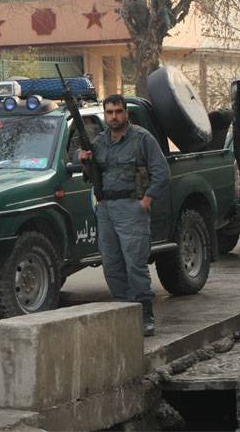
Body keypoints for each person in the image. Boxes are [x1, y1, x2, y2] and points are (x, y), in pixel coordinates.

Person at [79, 94, 170, 336]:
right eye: (109, 112)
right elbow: (92, 175)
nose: (114, 117)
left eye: (118, 111)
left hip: (132, 206)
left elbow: (161, 173)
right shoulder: (99, 142)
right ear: (105, 114)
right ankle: (123, 312)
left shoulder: (142, 138)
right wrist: (85, 161)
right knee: (111, 264)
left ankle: (145, 315)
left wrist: (145, 201)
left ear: (126, 113)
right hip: (106, 208)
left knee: (135, 264)